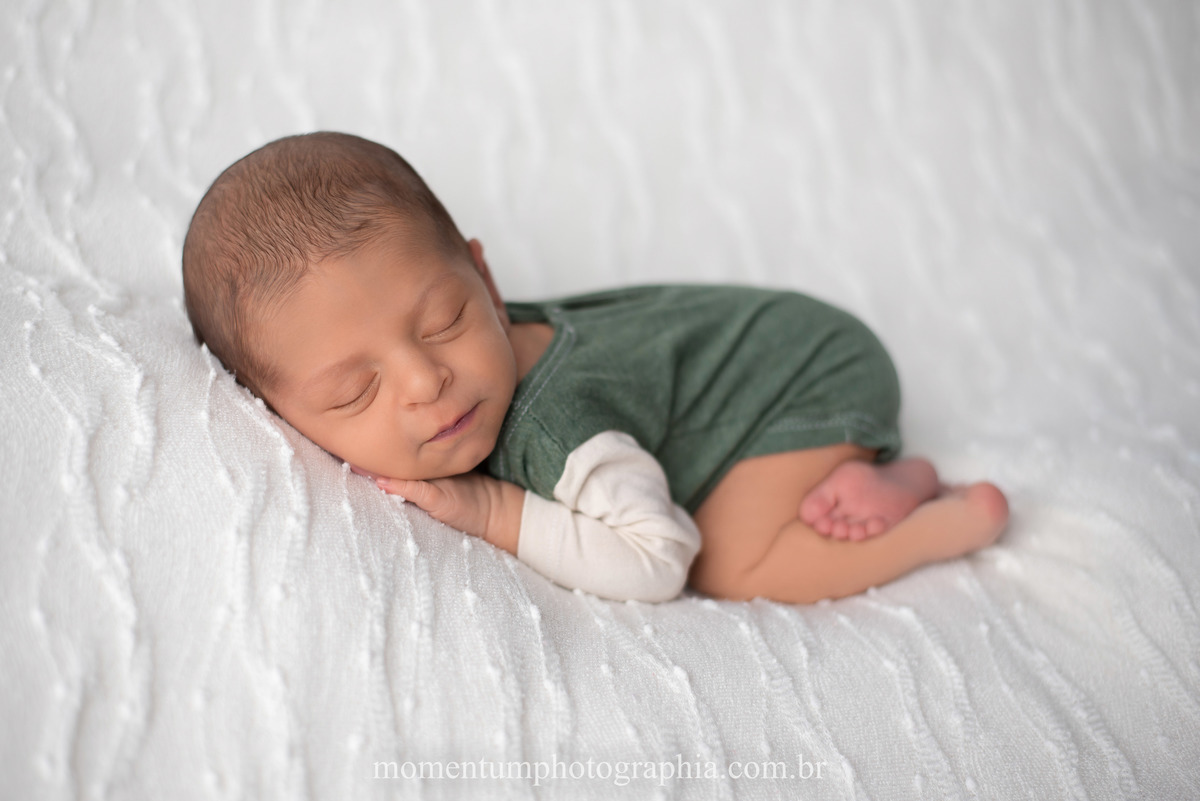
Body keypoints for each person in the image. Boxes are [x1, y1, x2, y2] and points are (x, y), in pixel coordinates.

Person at [182, 131, 1009, 604]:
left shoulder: (558, 430)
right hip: (783, 341)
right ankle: (871, 473)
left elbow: (660, 559)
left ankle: (943, 514)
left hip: (807, 377)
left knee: (731, 561)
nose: (424, 381)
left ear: (489, 280)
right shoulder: (472, 368)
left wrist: (495, 511)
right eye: (354, 390)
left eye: (446, 320)